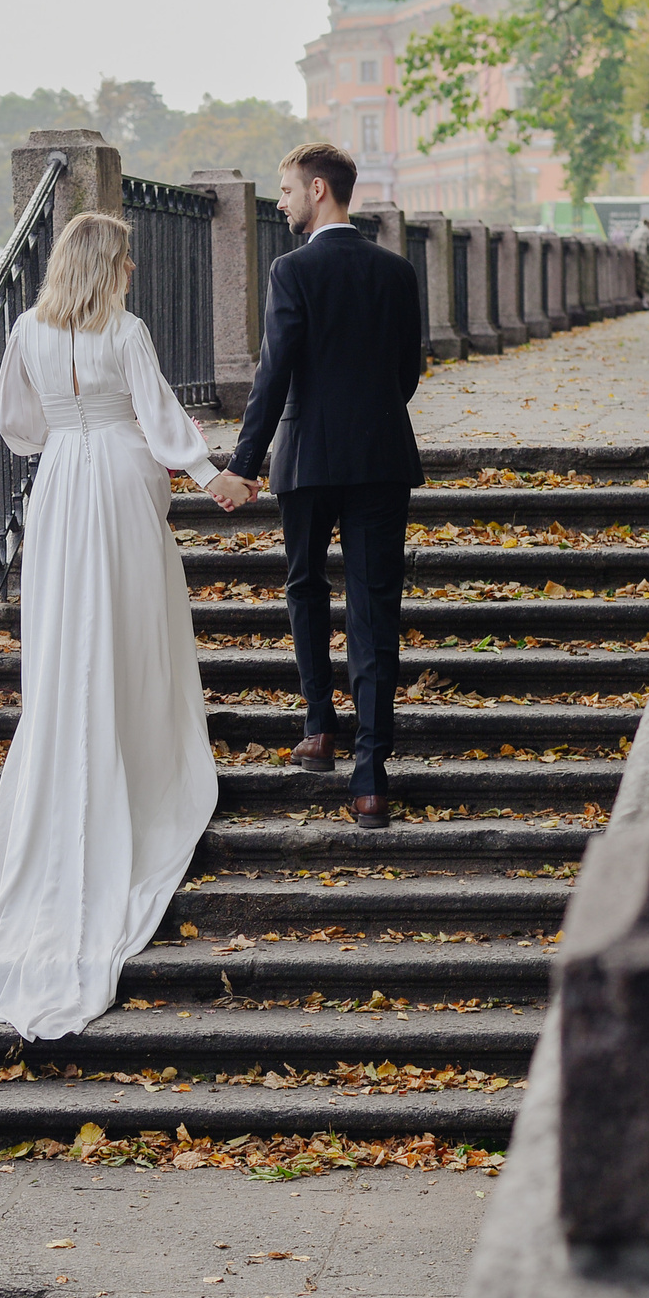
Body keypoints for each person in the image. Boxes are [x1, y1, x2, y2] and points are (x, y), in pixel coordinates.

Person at [0, 210, 238, 1042]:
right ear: (108, 263)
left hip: (61, 483)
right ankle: (145, 758)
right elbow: (161, 418)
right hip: (121, 479)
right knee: (134, 630)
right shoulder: (126, 331)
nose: (132, 269)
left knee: (68, 639)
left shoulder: (27, 329)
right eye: (126, 258)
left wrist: (67, 436)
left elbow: (19, 426)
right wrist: (211, 474)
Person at [220, 141, 425, 829]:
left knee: (305, 586)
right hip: (380, 455)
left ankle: (319, 726)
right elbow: (407, 375)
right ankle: (371, 776)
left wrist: (244, 464)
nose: (279, 204)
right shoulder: (397, 272)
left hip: (306, 458)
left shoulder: (291, 271)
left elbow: (273, 374)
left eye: (283, 191)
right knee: (373, 610)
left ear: (316, 190)